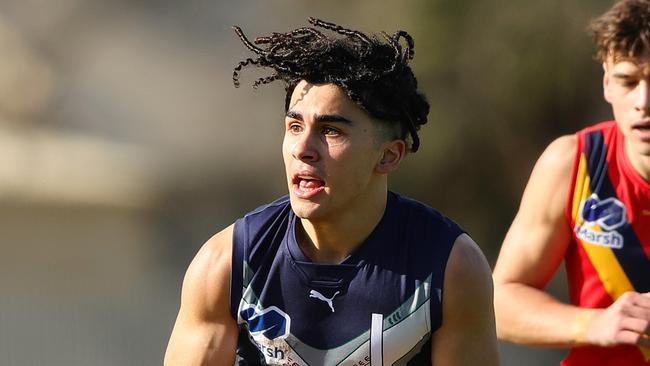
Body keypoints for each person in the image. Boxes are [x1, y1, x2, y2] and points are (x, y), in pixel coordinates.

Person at [164, 18, 498, 366]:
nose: (303, 148)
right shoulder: (226, 264)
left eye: (330, 131)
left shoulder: (450, 268)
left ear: (388, 155)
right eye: (295, 126)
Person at [493, 0, 650, 365]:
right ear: (607, 84)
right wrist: (595, 324)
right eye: (629, 81)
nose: (644, 101)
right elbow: (501, 302)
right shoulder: (573, 162)